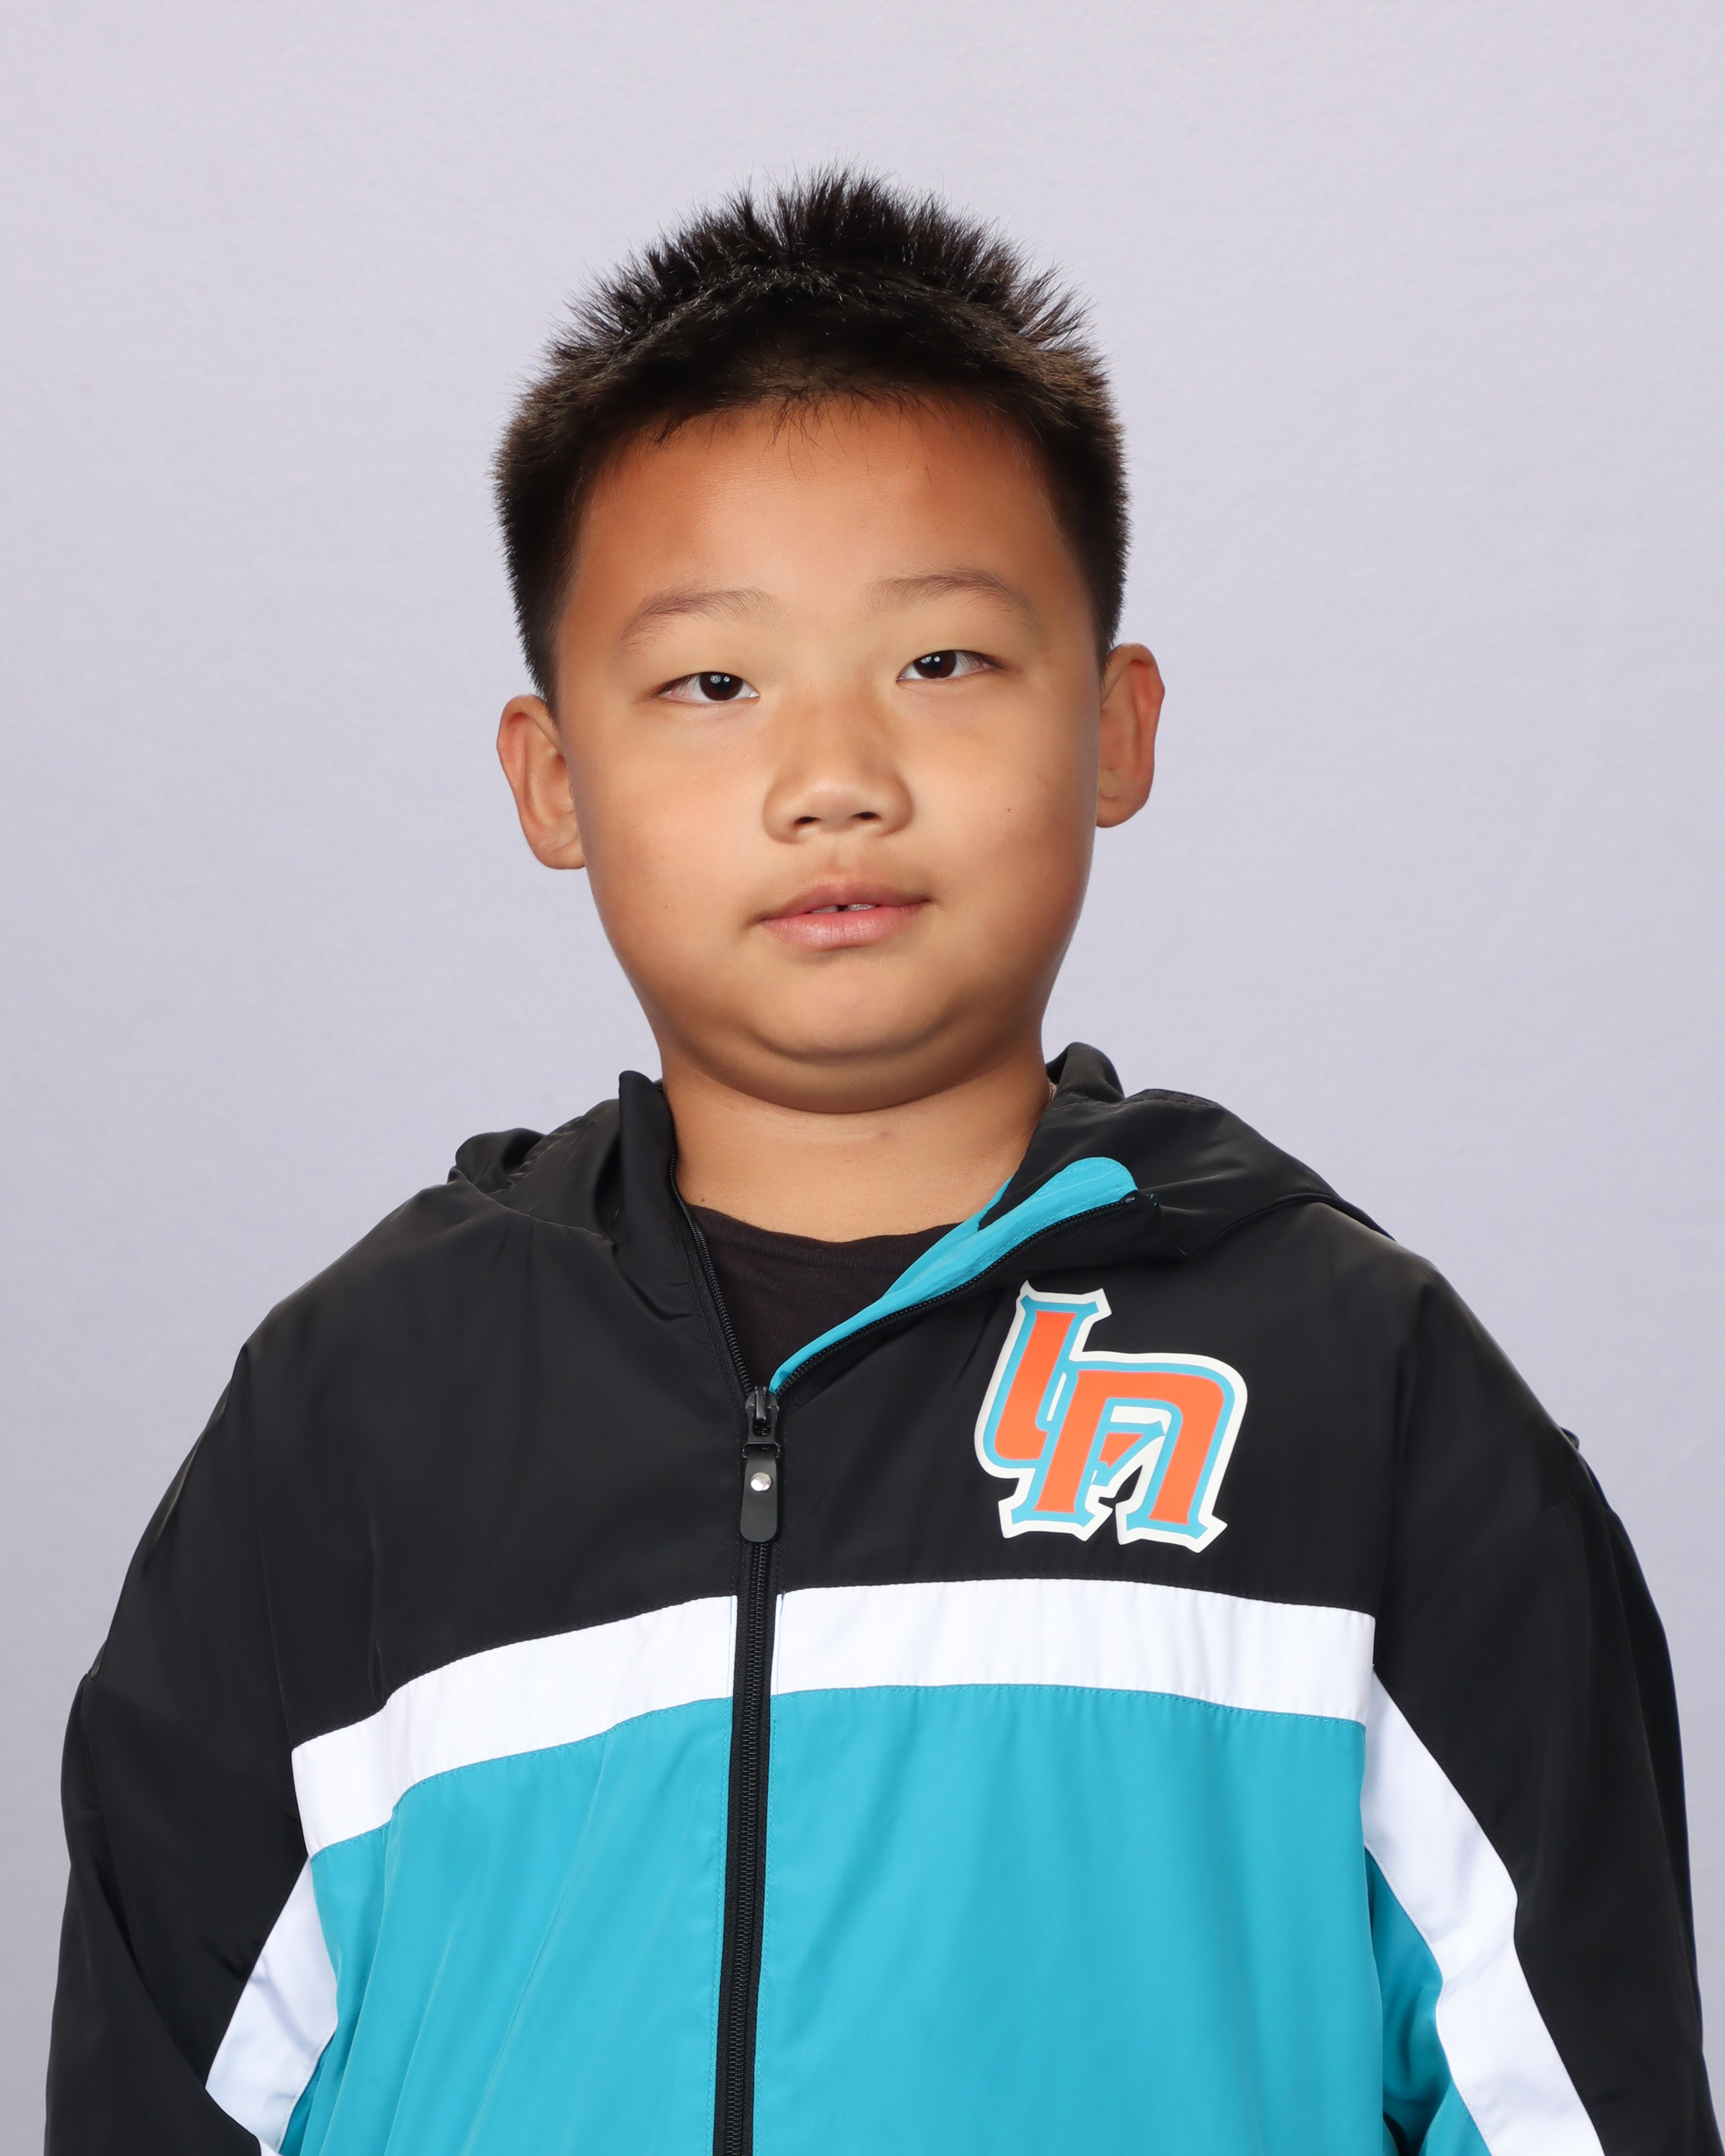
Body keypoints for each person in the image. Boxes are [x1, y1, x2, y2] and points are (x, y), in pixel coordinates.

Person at [45, 169, 1717, 2156]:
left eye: (941, 663)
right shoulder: (356, 1415)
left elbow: (1575, 2106)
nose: (833, 776)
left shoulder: (1364, 1395)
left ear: (1116, 728)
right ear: (554, 778)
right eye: (712, 684)